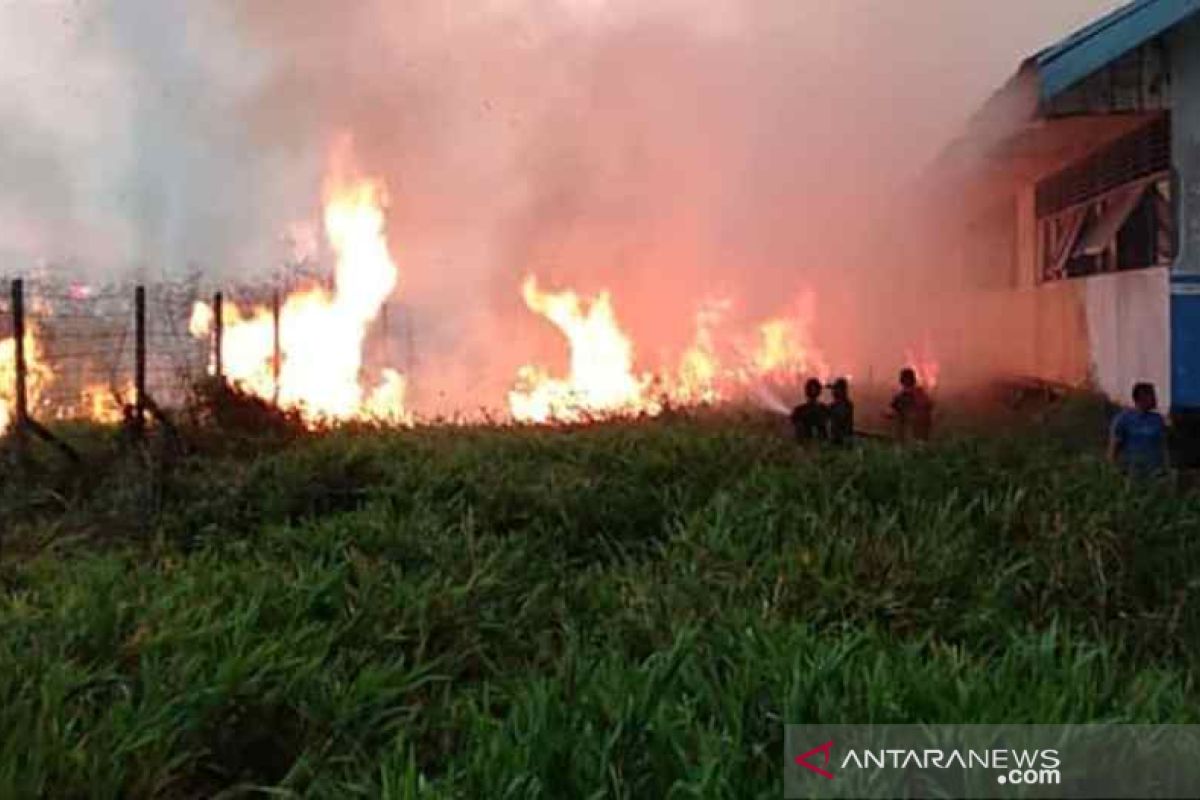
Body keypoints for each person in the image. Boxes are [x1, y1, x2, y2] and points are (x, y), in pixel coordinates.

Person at [1109, 382, 1169, 477]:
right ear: (1142, 396)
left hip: (1153, 474)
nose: (1155, 399)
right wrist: (1111, 469)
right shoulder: (1124, 419)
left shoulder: (1158, 419)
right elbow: (1114, 447)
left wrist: (1166, 468)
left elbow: (1163, 446)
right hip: (1130, 473)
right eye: (1152, 395)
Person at [888, 367, 934, 442]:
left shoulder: (904, 396)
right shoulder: (921, 393)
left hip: (911, 431)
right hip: (922, 430)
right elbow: (929, 406)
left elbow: (893, 410)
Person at [790, 378, 829, 444]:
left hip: (817, 444)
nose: (813, 391)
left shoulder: (823, 408)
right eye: (811, 389)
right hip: (809, 444)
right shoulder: (800, 410)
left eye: (814, 389)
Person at [827, 377, 854, 446]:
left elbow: (846, 423)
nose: (834, 391)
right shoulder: (833, 406)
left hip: (843, 439)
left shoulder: (846, 405)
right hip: (836, 438)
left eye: (837, 389)